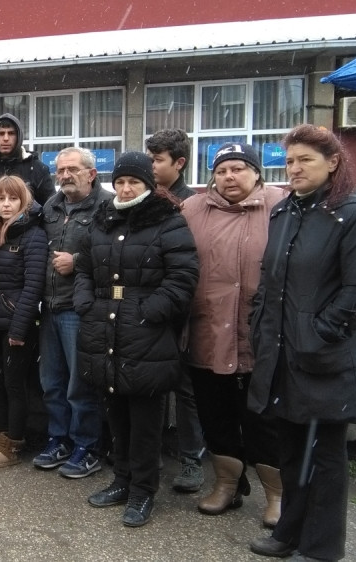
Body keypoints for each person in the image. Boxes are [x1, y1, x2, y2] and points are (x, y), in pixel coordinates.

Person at [248, 124, 356, 561]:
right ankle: (289, 533)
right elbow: (270, 279)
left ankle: (321, 549)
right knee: (291, 450)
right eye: (289, 161)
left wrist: (320, 333)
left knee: (324, 457)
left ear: (333, 162)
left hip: (325, 357)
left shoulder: (353, 213)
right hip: (282, 354)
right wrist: (258, 324)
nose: (294, 168)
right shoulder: (284, 211)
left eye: (305, 160)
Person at [76, 152, 198, 527]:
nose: (126, 189)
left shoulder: (167, 220)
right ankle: (122, 480)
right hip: (104, 328)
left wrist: (149, 312)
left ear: (148, 184)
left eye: (135, 182)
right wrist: (86, 304)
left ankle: (143, 490)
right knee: (116, 413)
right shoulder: (102, 220)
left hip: (147, 333)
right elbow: (84, 269)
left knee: (145, 419)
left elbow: (183, 277)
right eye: (121, 182)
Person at [182, 143, 286, 526]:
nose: (229, 176)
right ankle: (227, 484)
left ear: (257, 173)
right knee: (216, 415)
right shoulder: (193, 209)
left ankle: (277, 494)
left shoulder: (281, 206)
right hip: (207, 330)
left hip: (260, 335)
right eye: (222, 170)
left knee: (264, 420)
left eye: (239, 168)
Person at [33, 147, 113, 478]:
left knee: (80, 385)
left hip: (79, 310)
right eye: (60, 170)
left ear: (91, 174)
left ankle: (87, 446)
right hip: (49, 307)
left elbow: (115, 252)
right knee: (51, 382)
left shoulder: (107, 206)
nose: (64, 175)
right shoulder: (50, 206)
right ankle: (59, 440)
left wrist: (77, 261)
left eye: (72, 169)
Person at [145, 128, 204, 492]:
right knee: (148, 384)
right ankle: (145, 453)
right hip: (147, 308)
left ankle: (191, 459)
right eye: (149, 159)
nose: (151, 166)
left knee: (186, 388)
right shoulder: (144, 198)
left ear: (179, 163)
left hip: (180, 309)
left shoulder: (193, 205)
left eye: (158, 160)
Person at [0, 175, 45, 468]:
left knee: (14, 384)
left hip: (16, 325)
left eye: (13, 199)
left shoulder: (33, 235)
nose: (6, 204)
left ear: (23, 202)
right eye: (0, 199)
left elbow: (33, 286)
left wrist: (18, 328)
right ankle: (0, 437)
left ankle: (14, 443)